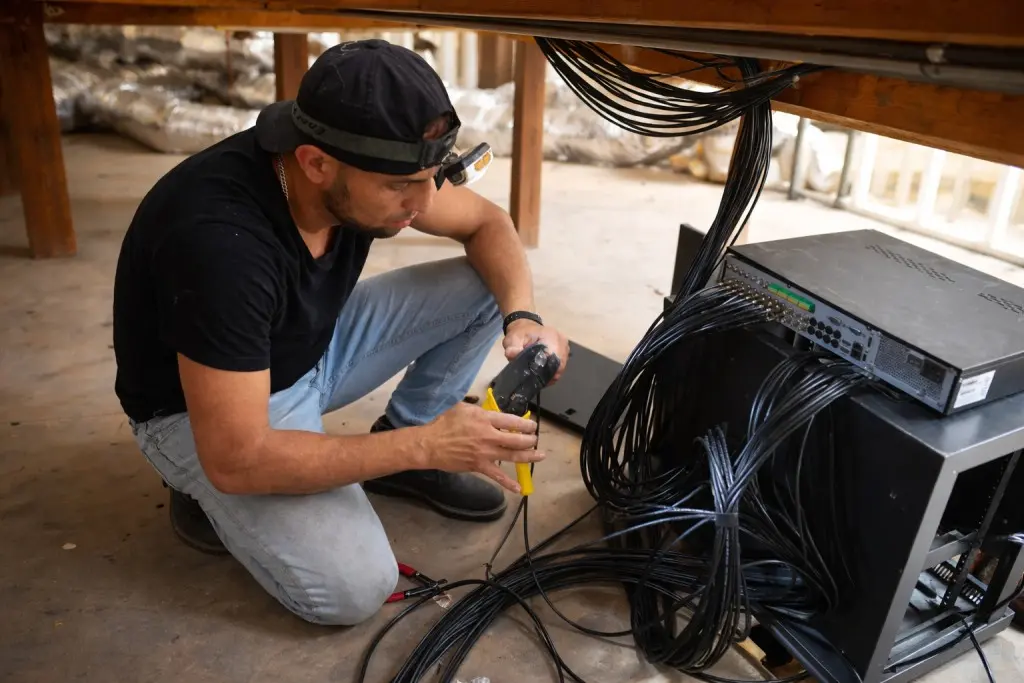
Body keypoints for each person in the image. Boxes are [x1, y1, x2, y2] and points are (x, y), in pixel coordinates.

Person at [111, 38, 570, 626]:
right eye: (403, 184)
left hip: (306, 347)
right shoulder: (219, 243)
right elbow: (237, 457)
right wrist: (431, 442)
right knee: (353, 589)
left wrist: (523, 320)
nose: (424, 201)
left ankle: (407, 455)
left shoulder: (360, 166)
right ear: (315, 163)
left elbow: (487, 224)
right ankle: (202, 492)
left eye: (431, 176)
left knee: (489, 283)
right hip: (204, 419)